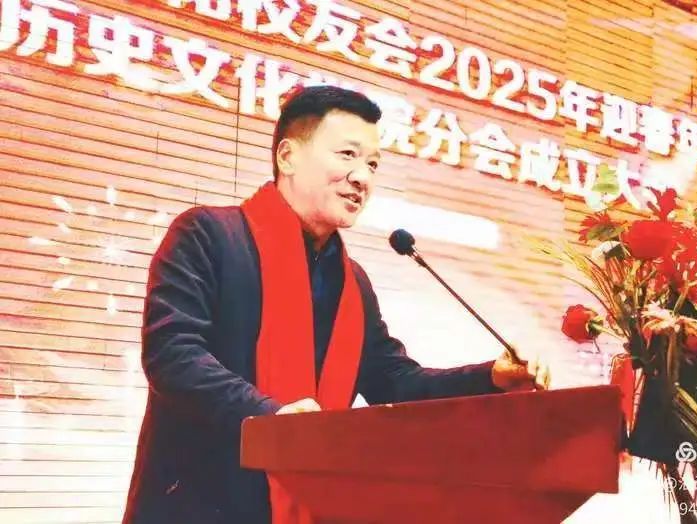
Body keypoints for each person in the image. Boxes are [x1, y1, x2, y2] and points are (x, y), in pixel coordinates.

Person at [122, 85, 545, 524]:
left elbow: (395, 382)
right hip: (197, 505)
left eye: (373, 164)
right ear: (288, 156)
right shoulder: (207, 235)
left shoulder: (351, 282)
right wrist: (270, 417)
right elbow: (173, 355)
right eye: (347, 155)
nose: (363, 177)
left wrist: (491, 377)